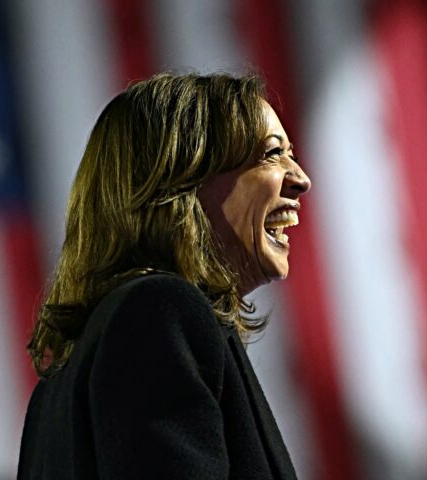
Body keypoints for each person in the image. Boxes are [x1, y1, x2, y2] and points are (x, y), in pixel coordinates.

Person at [17, 72, 311, 479]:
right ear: (182, 177)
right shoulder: (158, 314)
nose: (300, 178)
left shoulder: (56, 387)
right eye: (271, 154)